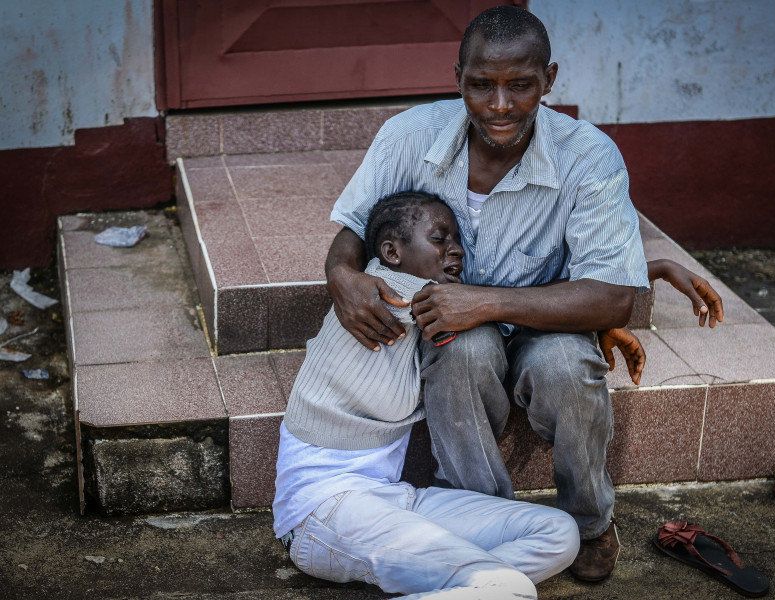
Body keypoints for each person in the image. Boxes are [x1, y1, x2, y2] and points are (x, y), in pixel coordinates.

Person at [324, 5, 721, 583]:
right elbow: (352, 232)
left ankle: (588, 523)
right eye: (481, 85)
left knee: (565, 367)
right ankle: (485, 519)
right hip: (458, 331)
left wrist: (487, 301)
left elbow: (614, 298)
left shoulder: (588, 156)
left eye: (521, 86)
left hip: (547, 326)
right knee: (461, 351)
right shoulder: (409, 134)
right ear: (457, 76)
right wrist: (341, 276)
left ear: (550, 81)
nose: (500, 105)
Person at [273, 191, 581, 600]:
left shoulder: (415, 297)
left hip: (396, 500)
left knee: (559, 532)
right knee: (509, 586)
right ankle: (483, 583)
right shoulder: (389, 295)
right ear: (391, 252)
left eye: (456, 241)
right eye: (439, 239)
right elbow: (506, 294)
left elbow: (498, 297)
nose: (455, 250)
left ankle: (470, 583)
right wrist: (609, 296)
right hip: (324, 511)